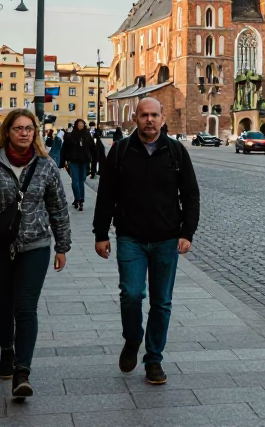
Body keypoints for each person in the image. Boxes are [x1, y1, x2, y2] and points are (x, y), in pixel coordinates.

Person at [0, 108, 70, 398]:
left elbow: (58, 208)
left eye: (29, 129)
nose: (24, 133)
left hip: (35, 246)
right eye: (18, 128)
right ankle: (7, 349)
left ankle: (22, 370)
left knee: (25, 308)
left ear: (35, 133)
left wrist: (62, 246)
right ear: (6, 132)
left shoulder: (46, 166)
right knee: (3, 305)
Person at [93, 97, 200, 386]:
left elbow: (190, 194)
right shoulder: (121, 151)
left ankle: (154, 359)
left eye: (154, 115)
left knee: (161, 303)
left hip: (166, 238)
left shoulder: (176, 152)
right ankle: (132, 338)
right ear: (135, 119)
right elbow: (106, 195)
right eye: (144, 115)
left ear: (163, 118)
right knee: (130, 294)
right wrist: (101, 233)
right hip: (131, 237)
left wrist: (186, 232)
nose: (149, 120)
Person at [61, 119, 97, 211]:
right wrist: (64, 160)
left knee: (81, 181)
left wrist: (92, 158)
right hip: (74, 161)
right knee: (74, 182)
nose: (80, 125)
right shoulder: (71, 136)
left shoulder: (87, 135)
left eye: (82, 124)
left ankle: (80, 200)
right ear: (76, 125)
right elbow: (65, 148)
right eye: (79, 124)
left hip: (84, 161)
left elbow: (92, 147)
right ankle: (78, 198)